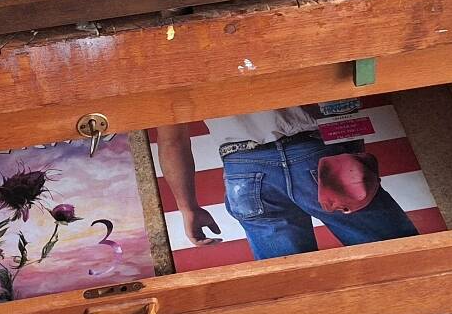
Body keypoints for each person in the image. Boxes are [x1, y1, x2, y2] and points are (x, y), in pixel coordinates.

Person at [156, 109, 418, 261]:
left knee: (288, 279)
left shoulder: (173, 57)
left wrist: (187, 207)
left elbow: (172, 142)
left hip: (245, 173)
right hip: (316, 152)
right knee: (396, 255)